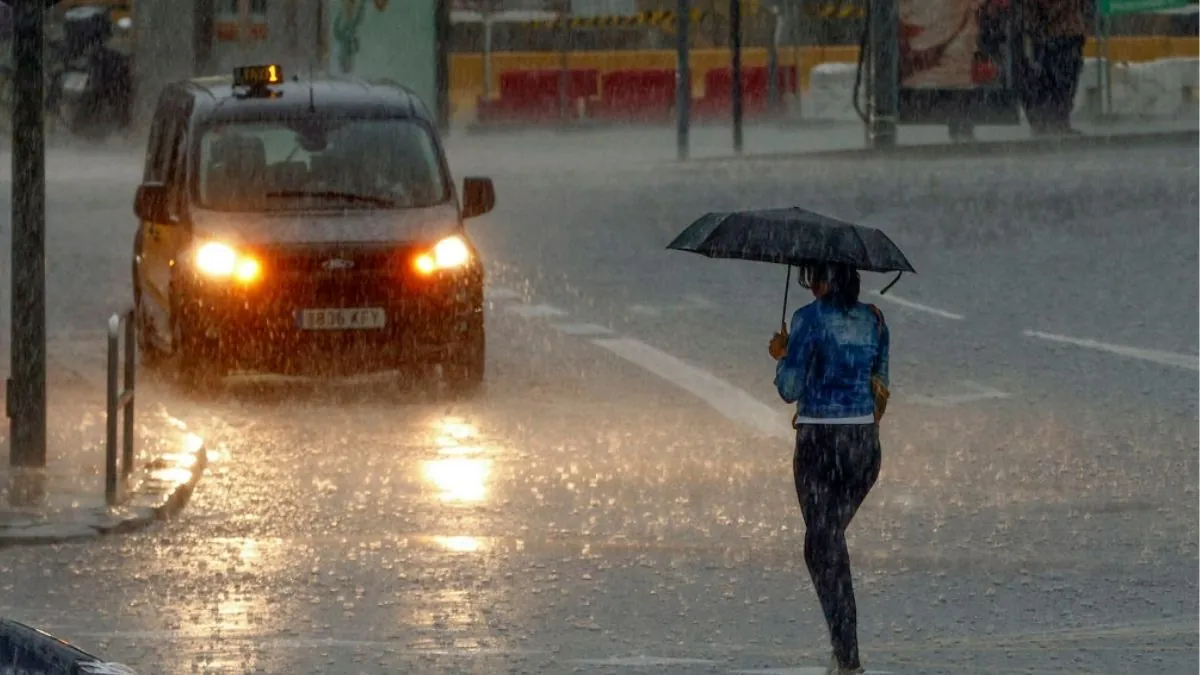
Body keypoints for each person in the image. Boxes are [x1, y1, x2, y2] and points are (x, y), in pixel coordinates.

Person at [768, 262, 889, 675]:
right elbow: (880, 382)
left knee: (824, 547)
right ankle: (844, 652)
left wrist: (785, 355)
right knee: (825, 544)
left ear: (819, 280)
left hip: (820, 444)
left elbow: (790, 389)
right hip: (863, 449)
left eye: (810, 278)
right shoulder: (874, 320)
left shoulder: (809, 319)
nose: (810, 287)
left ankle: (849, 658)